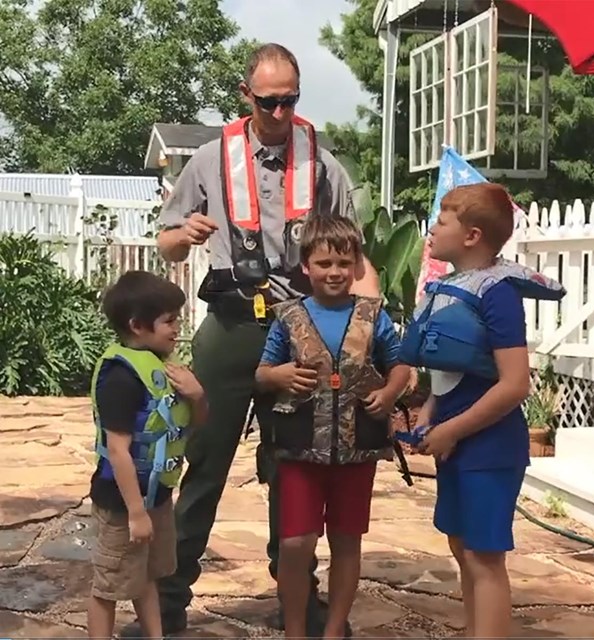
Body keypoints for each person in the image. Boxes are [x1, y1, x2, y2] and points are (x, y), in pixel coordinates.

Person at [119, 43, 379, 638]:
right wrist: (184, 232)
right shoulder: (212, 159)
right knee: (203, 462)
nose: (281, 113)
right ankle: (171, 599)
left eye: (291, 100)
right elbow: (166, 244)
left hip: (301, 330)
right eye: (269, 102)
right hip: (232, 326)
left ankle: (297, 598)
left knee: (295, 465)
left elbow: (356, 257)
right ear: (246, 96)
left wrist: (370, 326)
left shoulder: (323, 165)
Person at [399, 183, 565, 638]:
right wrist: (433, 408)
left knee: (483, 556)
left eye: (442, 220)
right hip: (457, 440)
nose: (432, 229)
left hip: (490, 446)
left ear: (472, 235)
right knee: (460, 545)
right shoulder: (453, 286)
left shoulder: (498, 293)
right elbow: (455, 371)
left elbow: (514, 384)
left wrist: (452, 430)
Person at [255, 215, 411, 639]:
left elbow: (399, 365)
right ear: (306, 266)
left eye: (344, 262)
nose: (335, 272)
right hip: (300, 451)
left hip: (357, 449)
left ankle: (335, 629)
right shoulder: (287, 316)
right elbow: (262, 373)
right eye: (324, 264)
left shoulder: (373, 315)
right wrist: (280, 376)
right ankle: (295, 629)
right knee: (294, 545)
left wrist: (391, 392)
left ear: (356, 265)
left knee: (346, 542)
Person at [87, 271, 207, 640]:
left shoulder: (162, 368)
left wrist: (198, 395)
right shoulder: (121, 377)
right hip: (123, 504)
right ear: (137, 326)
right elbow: (119, 451)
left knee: (149, 577)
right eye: (169, 320)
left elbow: (194, 423)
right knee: (108, 587)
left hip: (156, 497)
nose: (177, 328)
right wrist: (136, 513)